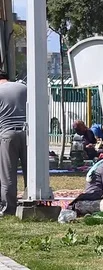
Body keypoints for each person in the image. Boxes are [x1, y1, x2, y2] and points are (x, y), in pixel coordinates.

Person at [0, 71, 27, 216]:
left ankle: (9, 208)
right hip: (29, 133)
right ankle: (33, 201)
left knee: (8, 174)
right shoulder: (23, 87)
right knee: (31, 171)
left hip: (8, 133)